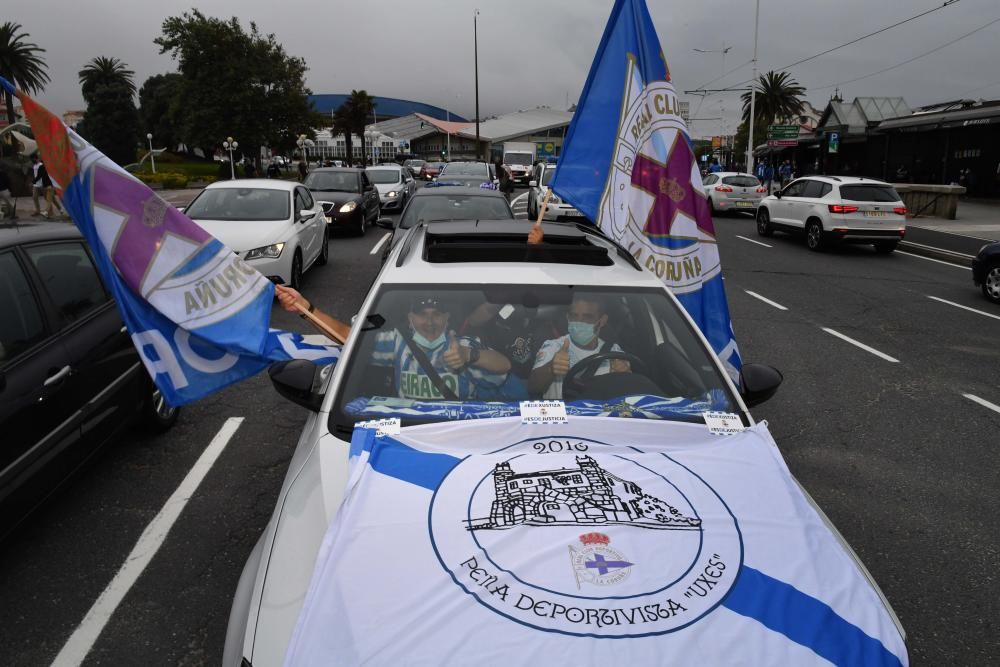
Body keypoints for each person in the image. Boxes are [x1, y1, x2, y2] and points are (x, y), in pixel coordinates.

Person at [528, 294, 629, 400]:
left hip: (601, 415)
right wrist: (550, 369)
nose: (579, 322)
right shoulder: (554, 347)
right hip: (561, 415)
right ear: (567, 317)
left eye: (587, 317)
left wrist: (624, 374)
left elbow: (629, 394)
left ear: (602, 321)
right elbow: (533, 387)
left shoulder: (614, 352)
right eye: (574, 315)